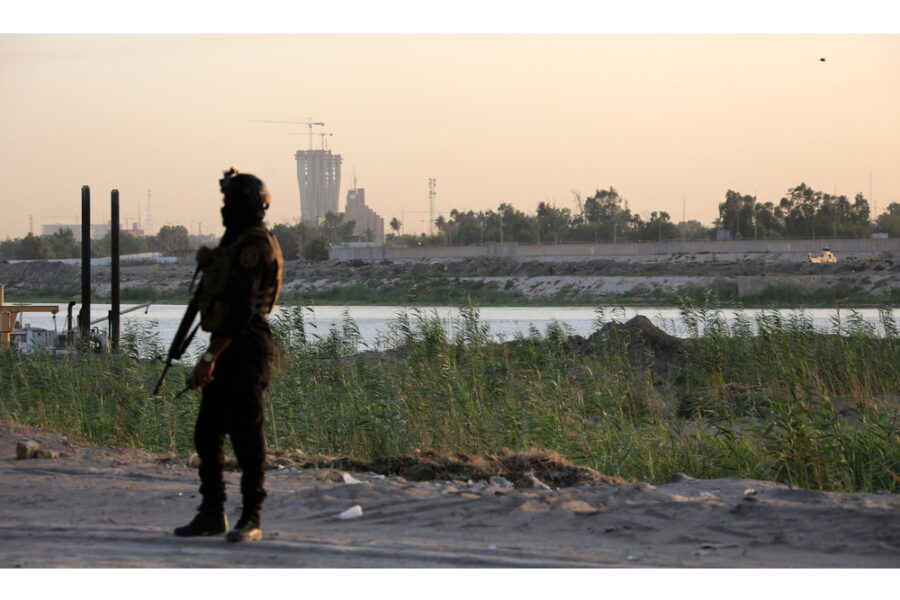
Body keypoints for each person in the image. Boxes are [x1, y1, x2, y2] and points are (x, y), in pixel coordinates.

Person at [174, 168, 283, 543]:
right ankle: (211, 512)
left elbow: (239, 313)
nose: (224, 209)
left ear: (248, 206)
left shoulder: (253, 245)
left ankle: (251, 517)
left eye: (230, 202)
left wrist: (209, 358)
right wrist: (209, 263)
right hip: (227, 345)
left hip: (244, 347)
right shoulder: (235, 241)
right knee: (207, 434)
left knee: (246, 436)